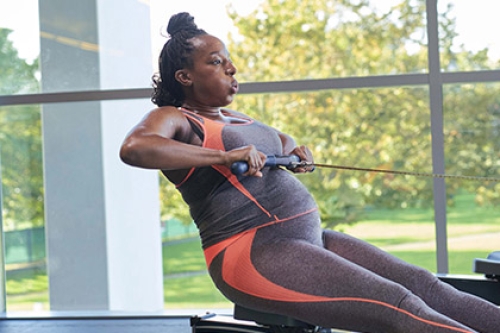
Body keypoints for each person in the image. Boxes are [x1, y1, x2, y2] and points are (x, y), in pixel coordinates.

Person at [120, 12, 500, 333]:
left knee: (425, 285)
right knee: (400, 305)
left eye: (228, 59)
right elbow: (135, 148)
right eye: (216, 62)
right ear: (184, 77)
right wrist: (220, 157)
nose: (231, 68)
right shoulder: (174, 117)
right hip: (257, 253)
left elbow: (281, 143)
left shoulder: (235, 117)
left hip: (309, 238)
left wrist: (297, 153)